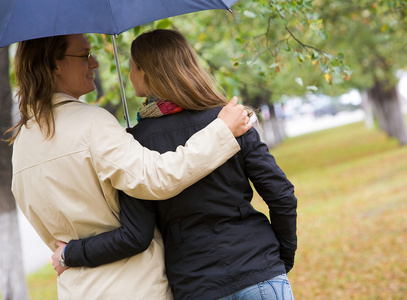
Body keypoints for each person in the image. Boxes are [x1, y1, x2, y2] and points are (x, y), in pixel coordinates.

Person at [52, 29, 297, 300]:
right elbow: (282, 195)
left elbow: (135, 235)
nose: (130, 75)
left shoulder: (135, 145)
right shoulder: (229, 119)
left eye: (132, 67)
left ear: (145, 73)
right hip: (259, 269)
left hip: (197, 285)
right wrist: (280, 260)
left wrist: (70, 253)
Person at [8, 33, 252, 300]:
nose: (95, 63)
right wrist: (222, 132)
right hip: (134, 287)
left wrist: (69, 254)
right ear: (55, 63)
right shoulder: (92, 124)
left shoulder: (22, 142)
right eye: (84, 55)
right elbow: (156, 178)